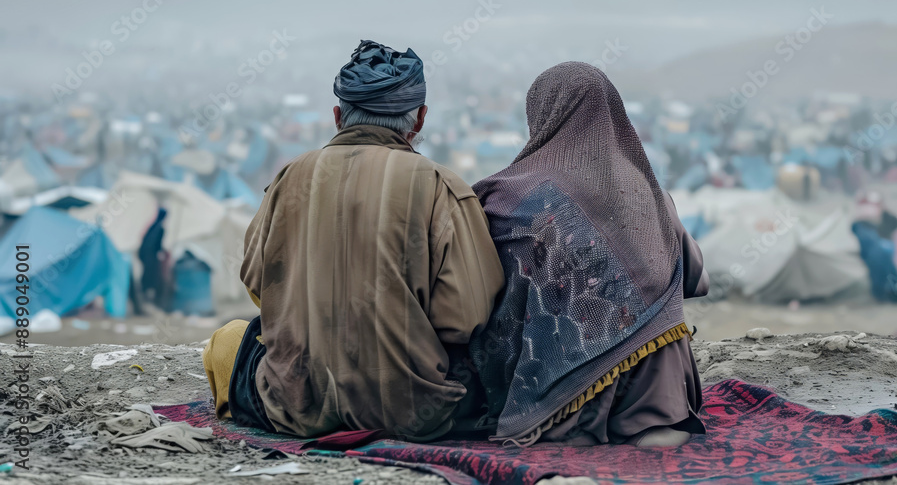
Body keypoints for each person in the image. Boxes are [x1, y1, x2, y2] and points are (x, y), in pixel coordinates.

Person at [202, 40, 505, 441]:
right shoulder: (440, 186)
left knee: (228, 340)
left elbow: (259, 284)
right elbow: (464, 317)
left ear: (336, 116)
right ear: (420, 120)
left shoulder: (290, 177)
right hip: (414, 413)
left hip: (290, 407)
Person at [470, 62, 708, 448]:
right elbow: (696, 278)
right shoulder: (651, 194)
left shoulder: (508, 197)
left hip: (559, 393)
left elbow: (478, 292)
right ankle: (645, 422)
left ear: (542, 115)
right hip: (664, 395)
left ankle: (564, 418)